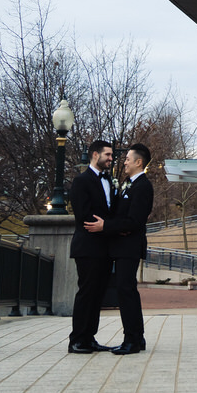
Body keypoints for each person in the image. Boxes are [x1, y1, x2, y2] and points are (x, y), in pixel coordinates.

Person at [67, 139, 118, 353]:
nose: (111, 158)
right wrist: (106, 227)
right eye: (107, 155)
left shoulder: (110, 180)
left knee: (98, 294)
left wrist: (109, 227)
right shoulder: (81, 181)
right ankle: (77, 339)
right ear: (95, 155)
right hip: (88, 246)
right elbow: (83, 215)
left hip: (105, 248)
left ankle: (90, 337)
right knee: (87, 292)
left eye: (111, 155)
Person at [104, 141, 153, 354]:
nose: (124, 162)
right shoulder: (129, 184)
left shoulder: (143, 186)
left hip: (129, 247)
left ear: (138, 162)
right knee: (127, 291)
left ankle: (131, 340)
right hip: (122, 245)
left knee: (126, 291)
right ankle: (137, 338)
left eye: (127, 159)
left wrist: (108, 226)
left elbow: (134, 221)